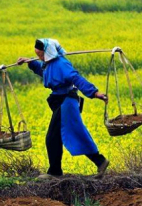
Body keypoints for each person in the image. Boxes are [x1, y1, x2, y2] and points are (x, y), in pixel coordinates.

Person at [17, 38, 110, 179]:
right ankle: (100, 161)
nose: (39, 58)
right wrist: (30, 63)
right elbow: (45, 72)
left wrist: (95, 93)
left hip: (67, 101)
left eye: (41, 55)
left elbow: (76, 78)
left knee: (53, 137)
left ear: (48, 52)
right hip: (61, 102)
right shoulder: (48, 63)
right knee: (70, 134)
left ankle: (55, 171)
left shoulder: (61, 64)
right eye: (37, 55)